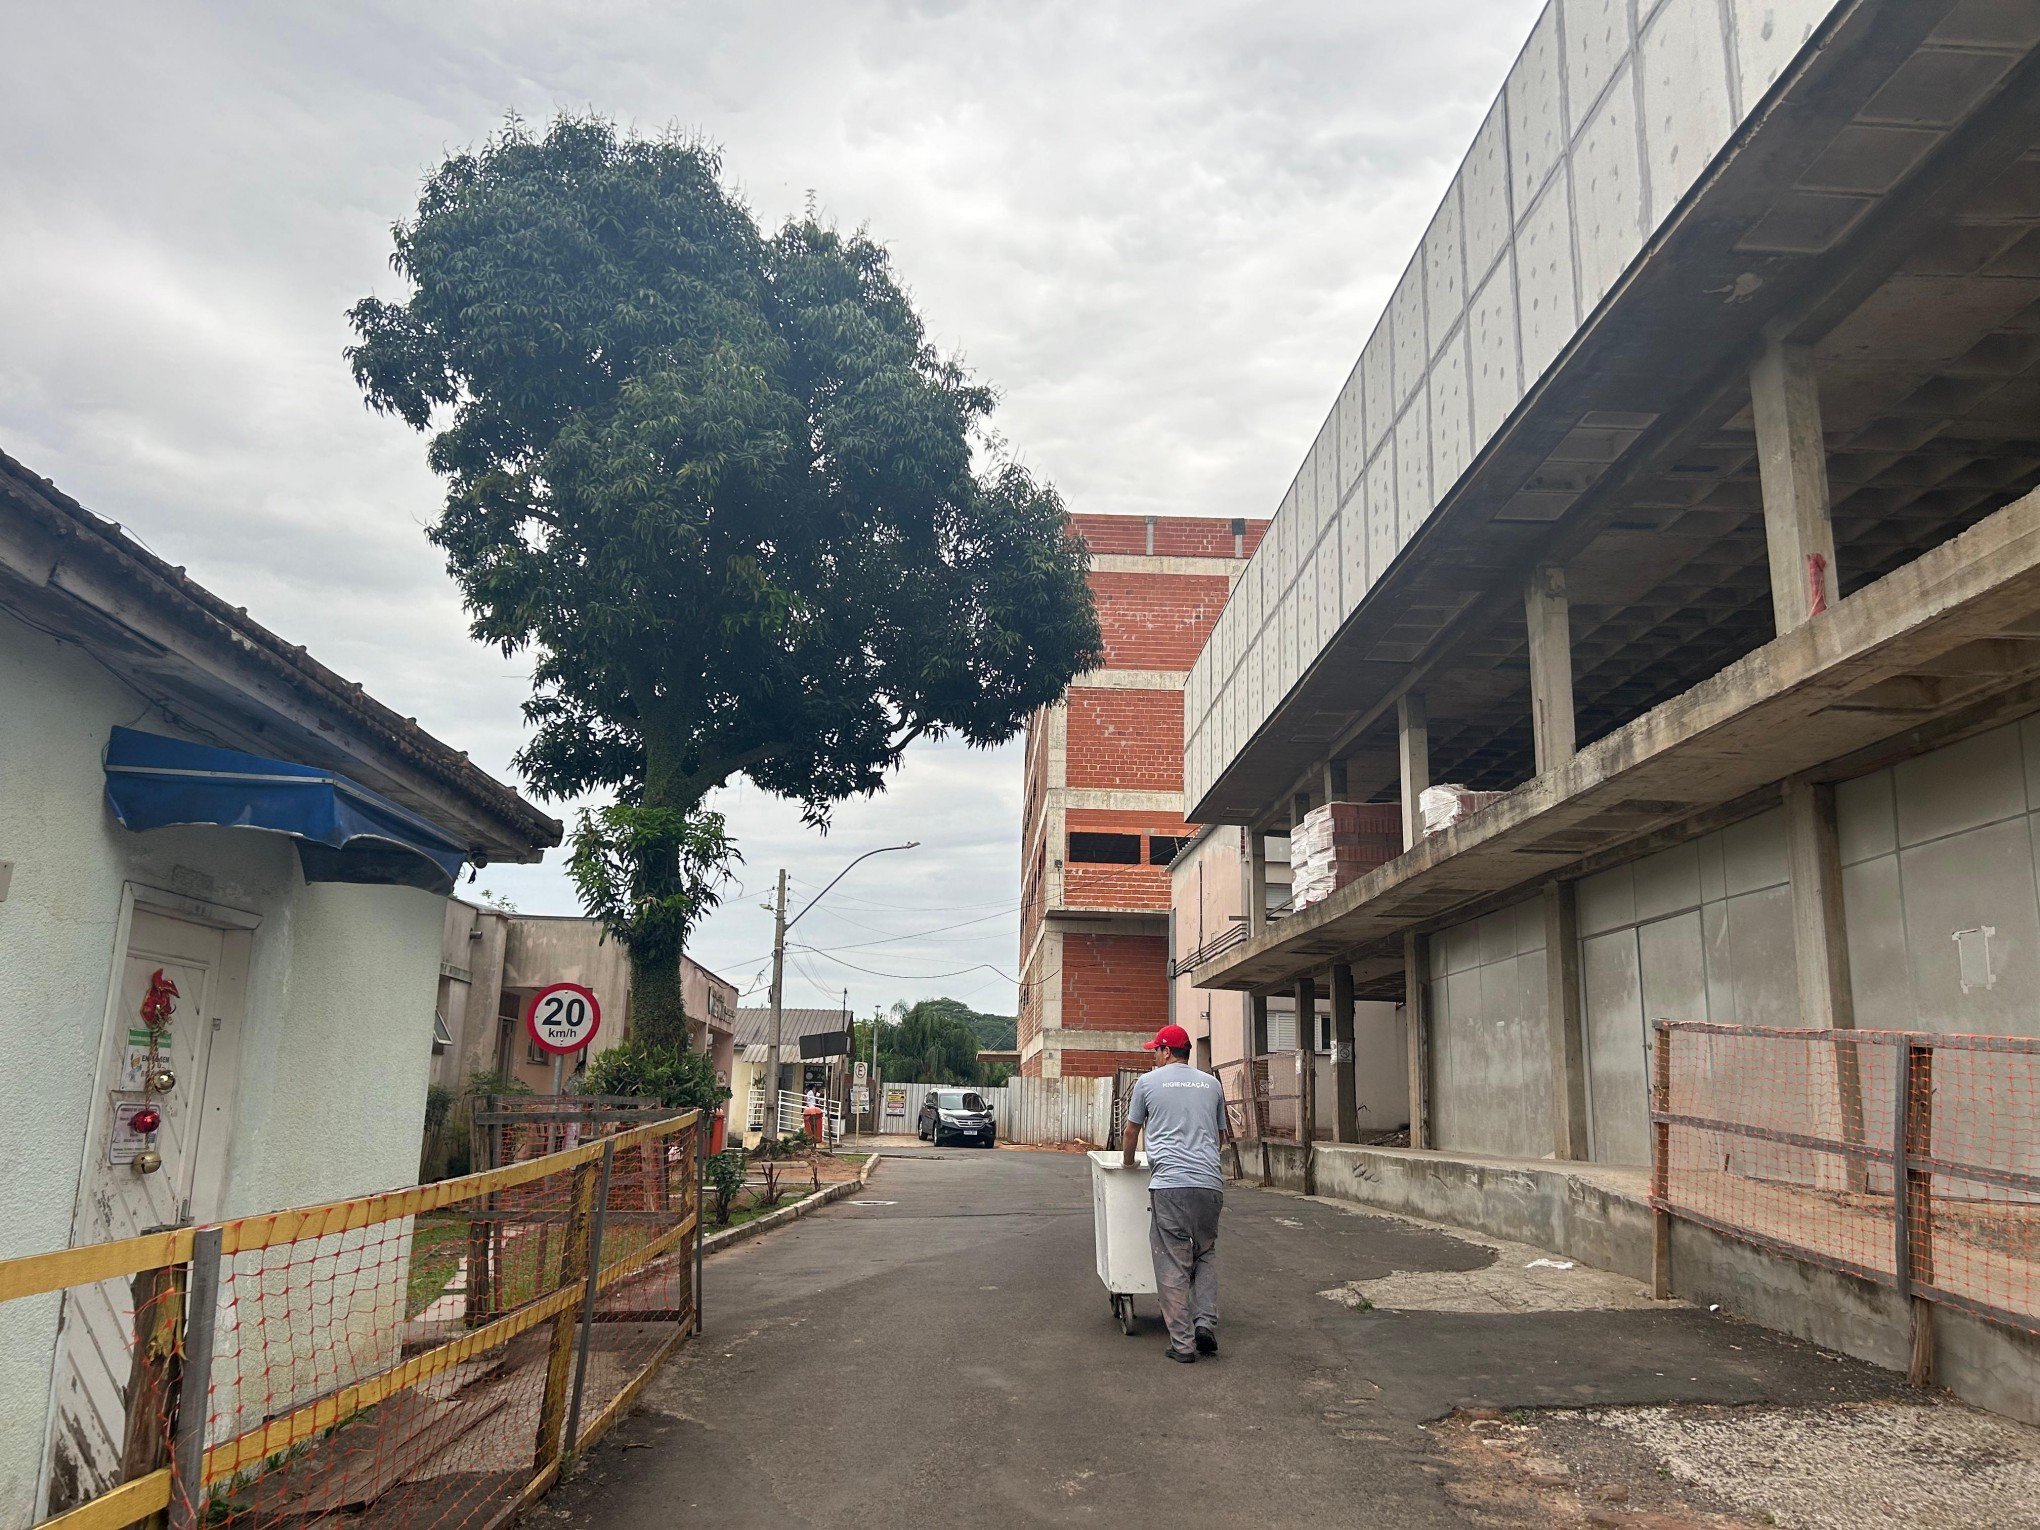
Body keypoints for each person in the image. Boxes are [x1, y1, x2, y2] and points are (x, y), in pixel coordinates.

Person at [1121, 1023, 1229, 1363]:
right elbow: (1221, 1137)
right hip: (1210, 1184)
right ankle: (1205, 1324)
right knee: (1205, 1253)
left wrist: (1127, 1163)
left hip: (1170, 1185)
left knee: (1172, 1260)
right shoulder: (1212, 1084)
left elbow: (1130, 1130)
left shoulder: (1147, 1083)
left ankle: (1183, 1345)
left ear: (1167, 1051)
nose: (1153, 1056)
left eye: (1156, 1050)